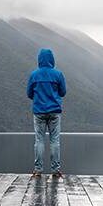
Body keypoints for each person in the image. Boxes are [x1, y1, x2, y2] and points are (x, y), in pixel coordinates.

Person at [26, 48, 66, 177]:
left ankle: (38, 170)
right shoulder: (58, 74)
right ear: (52, 59)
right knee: (55, 141)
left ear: (39, 59)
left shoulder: (34, 75)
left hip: (39, 112)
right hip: (54, 111)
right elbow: (63, 92)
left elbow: (29, 93)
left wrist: (39, 99)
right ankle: (55, 170)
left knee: (39, 140)